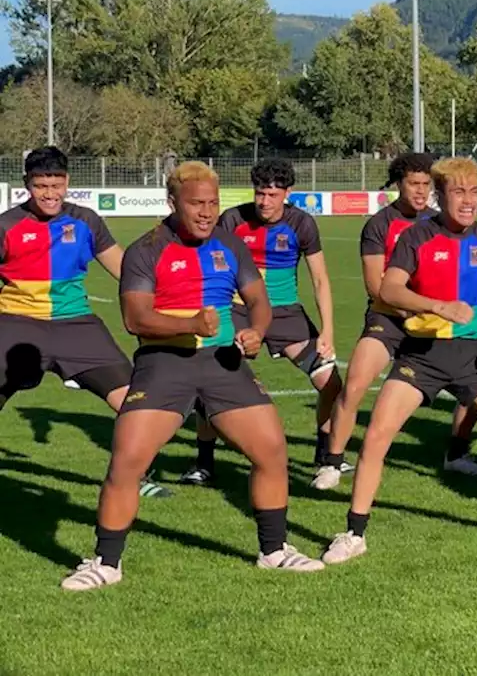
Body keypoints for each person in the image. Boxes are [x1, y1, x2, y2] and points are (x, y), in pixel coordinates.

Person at [61, 162, 324, 591]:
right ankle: (106, 562)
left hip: (223, 364)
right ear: (172, 203)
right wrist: (189, 326)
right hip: (164, 364)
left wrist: (257, 330)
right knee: (127, 460)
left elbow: (257, 298)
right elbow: (135, 317)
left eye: (213, 203)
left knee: (272, 449)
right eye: (196, 203)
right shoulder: (146, 250)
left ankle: (274, 551)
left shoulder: (229, 244)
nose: (206, 212)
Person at [321, 157, 477, 562]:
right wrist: (438, 306)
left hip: (472, 357)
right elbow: (388, 291)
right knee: (377, 437)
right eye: (459, 192)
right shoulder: (416, 237)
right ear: (440, 196)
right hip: (422, 357)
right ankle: (354, 533)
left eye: (475, 192)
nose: (469, 201)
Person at [0, 147, 170, 498]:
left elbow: (125, 270)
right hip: (17, 322)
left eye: (56, 184)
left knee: (133, 400)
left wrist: (165, 303)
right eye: (41, 186)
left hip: (77, 325)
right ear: (26, 186)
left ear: (67, 182)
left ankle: (136, 477)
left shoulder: (86, 220)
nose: (50, 194)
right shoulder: (6, 225)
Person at [312, 153, 477, 491]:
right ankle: (332, 462)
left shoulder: (441, 223)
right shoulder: (379, 224)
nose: (420, 191)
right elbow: (376, 287)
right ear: (398, 185)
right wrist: (416, 310)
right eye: (412, 184)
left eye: (425, 185)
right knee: (357, 382)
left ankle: (457, 455)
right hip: (388, 319)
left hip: (432, 322)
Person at [180, 159, 342, 485]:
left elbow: (321, 280)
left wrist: (327, 331)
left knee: (331, 384)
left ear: (287, 193)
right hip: (239, 311)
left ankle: (325, 456)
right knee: (209, 380)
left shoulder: (302, 224)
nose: (264, 202)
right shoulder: (234, 219)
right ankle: (204, 463)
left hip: (286, 315)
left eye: (272, 194)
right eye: (259, 194)